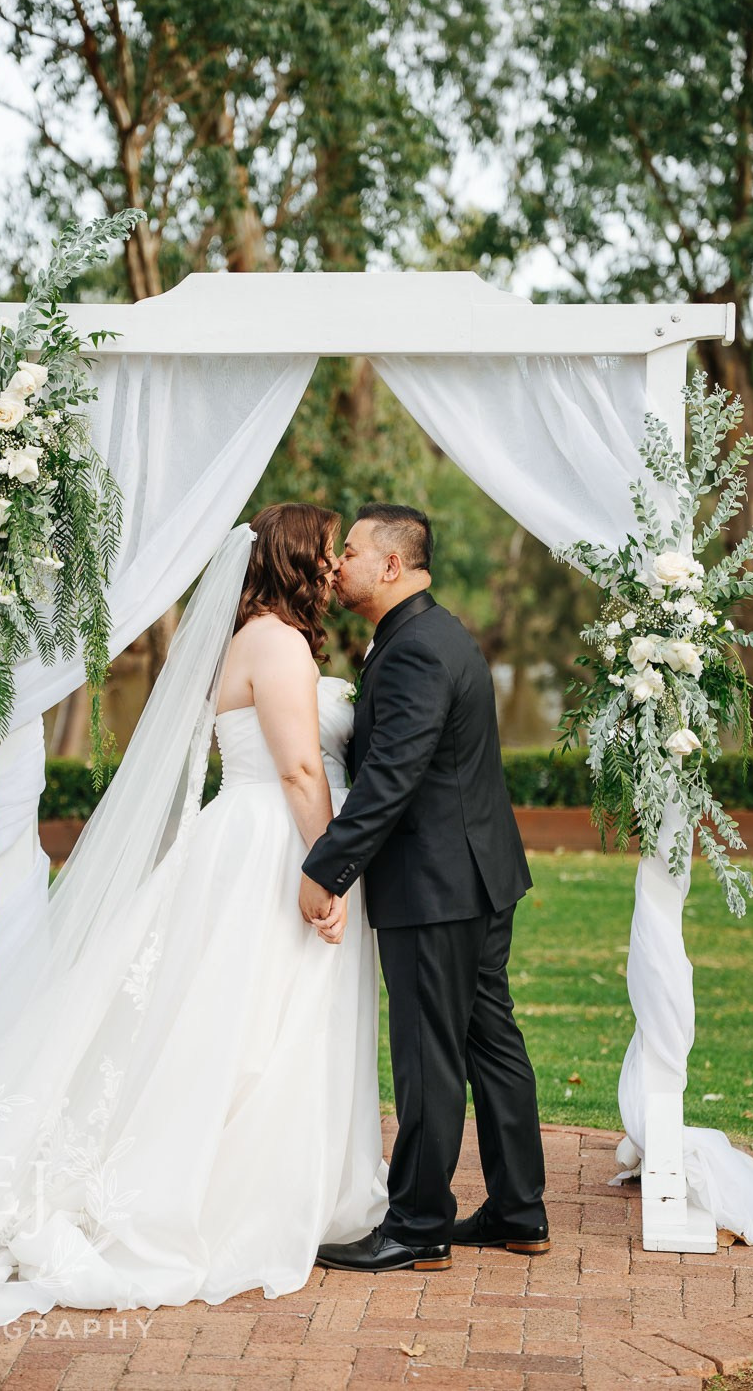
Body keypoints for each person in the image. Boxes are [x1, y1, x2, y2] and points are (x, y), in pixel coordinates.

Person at [0, 504, 386, 1363]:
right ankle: (228, 1191)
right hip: (272, 846)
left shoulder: (257, 636)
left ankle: (274, 1181)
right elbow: (300, 767)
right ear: (290, 562)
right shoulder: (275, 642)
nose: (331, 565)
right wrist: (327, 871)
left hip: (250, 836)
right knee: (249, 1022)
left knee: (248, 1018)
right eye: (323, 551)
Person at [301, 503, 549, 1274]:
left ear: (391, 566)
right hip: (477, 875)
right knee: (487, 1041)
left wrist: (324, 868)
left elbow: (390, 781)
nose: (336, 563)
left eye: (349, 551)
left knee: (428, 1054)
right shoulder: (432, 634)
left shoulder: (413, 650)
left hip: (437, 885)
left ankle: (416, 1225)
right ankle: (518, 1211)